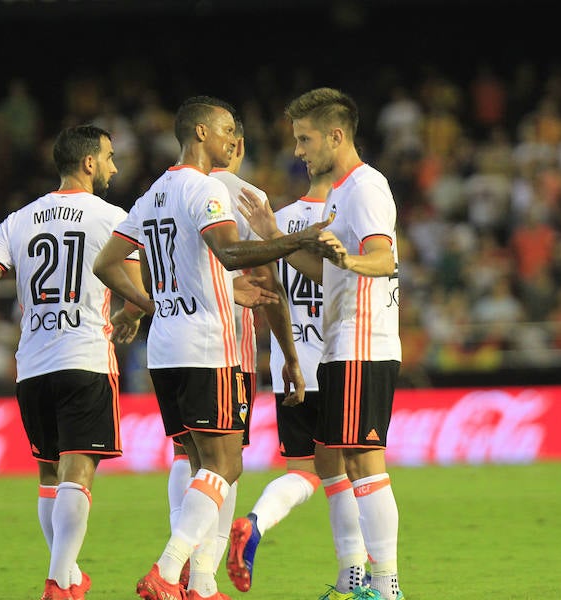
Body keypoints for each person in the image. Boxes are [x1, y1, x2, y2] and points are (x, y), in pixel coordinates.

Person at [93, 95, 335, 600]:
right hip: (212, 347)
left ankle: (200, 584)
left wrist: (151, 304)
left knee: (196, 461)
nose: (231, 139)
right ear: (201, 133)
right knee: (224, 466)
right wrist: (293, 240)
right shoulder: (210, 190)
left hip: (167, 349)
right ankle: (168, 570)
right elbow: (232, 255)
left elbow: (108, 262)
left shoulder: (154, 192)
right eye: (225, 130)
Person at [0, 124, 146, 600]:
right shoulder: (114, 217)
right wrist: (130, 314)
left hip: (32, 366)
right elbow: (135, 292)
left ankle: (70, 577)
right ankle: (58, 582)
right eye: (110, 157)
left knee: (48, 473)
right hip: (85, 359)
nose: (115, 166)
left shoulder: (19, 220)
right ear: (89, 163)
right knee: (78, 474)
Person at [237, 88, 405, 600]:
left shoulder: (365, 185)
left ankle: (386, 586)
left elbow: (384, 259)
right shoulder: (339, 193)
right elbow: (323, 272)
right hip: (339, 345)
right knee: (352, 466)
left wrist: (349, 260)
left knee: (364, 464)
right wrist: (277, 236)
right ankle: (366, 583)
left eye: (305, 139)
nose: (298, 151)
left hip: (362, 341)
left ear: (336, 135)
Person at [167, 118, 306, 591]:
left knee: (187, 457)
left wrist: (137, 309)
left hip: (169, 344)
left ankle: (192, 570)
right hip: (222, 347)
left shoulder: (165, 190)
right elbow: (268, 284)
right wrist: (288, 354)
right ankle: (190, 571)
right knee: (225, 464)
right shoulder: (242, 195)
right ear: (236, 142)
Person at [228, 167, 371, 595]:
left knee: (305, 470)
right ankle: (356, 578)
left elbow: (266, 291)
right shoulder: (347, 218)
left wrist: (285, 357)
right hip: (340, 359)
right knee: (353, 469)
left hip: (291, 363)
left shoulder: (276, 221)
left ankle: (256, 522)